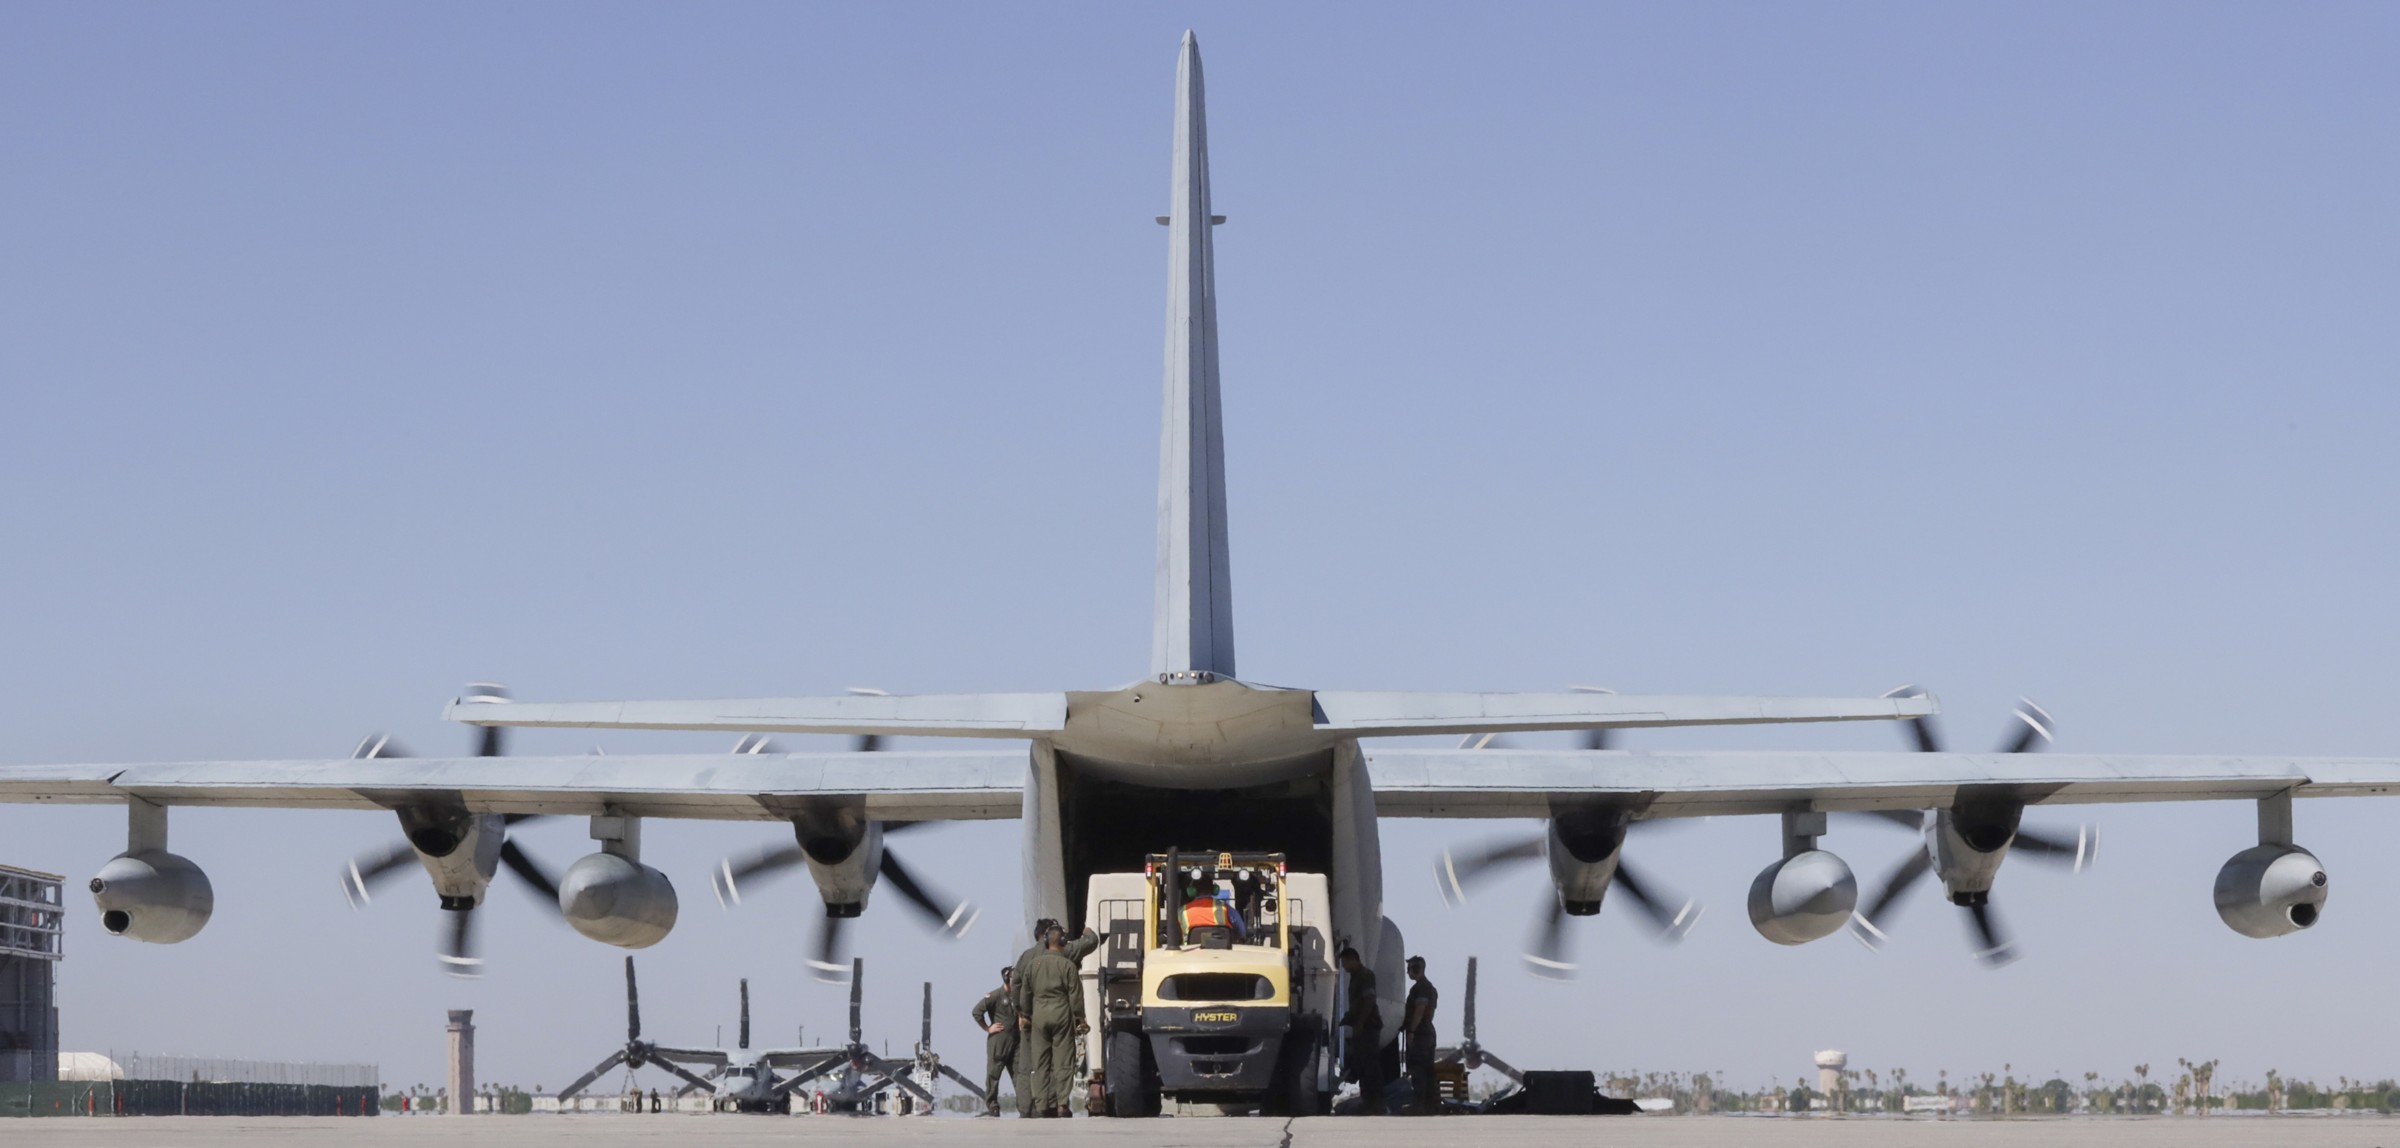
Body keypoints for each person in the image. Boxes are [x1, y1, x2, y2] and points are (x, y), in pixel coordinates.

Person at [1013, 920, 1099, 1116]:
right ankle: (1061, 1104)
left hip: (1038, 1017)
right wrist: (1081, 1019)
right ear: (1060, 939)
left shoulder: (1030, 960)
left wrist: (1024, 1014)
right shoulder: (1067, 962)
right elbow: (1075, 996)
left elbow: (1022, 989)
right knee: (1063, 1062)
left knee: (1038, 1064)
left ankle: (1040, 1106)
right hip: (1061, 1015)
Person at [1338, 946, 1388, 1115]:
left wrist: (1360, 1023)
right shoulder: (1355, 977)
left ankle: (1376, 1102)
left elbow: (1369, 1000)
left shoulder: (1365, 976)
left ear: (1353, 959)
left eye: (1345, 962)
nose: (1343, 967)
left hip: (1368, 1027)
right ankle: (1369, 1101)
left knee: (1370, 1066)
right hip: (1362, 1026)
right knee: (1363, 1065)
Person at [970, 966, 1018, 1117]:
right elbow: (976, 1012)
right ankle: (993, 1106)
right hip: (999, 1041)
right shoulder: (995, 995)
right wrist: (987, 1028)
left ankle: (1025, 1106)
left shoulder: (1019, 996)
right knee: (993, 1074)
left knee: (1019, 1074)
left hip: (1016, 1041)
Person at [1402, 956, 1439, 1114]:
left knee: (1419, 1071)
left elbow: (1420, 1010)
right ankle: (1432, 1105)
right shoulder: (1428, 987)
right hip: (1427, 1033)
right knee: (1428, 1070)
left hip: (1420, 1034)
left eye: (1410, 968)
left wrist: (1411, 1031)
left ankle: (1420, 1105)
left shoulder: (1421, 988)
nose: (1408, 972)